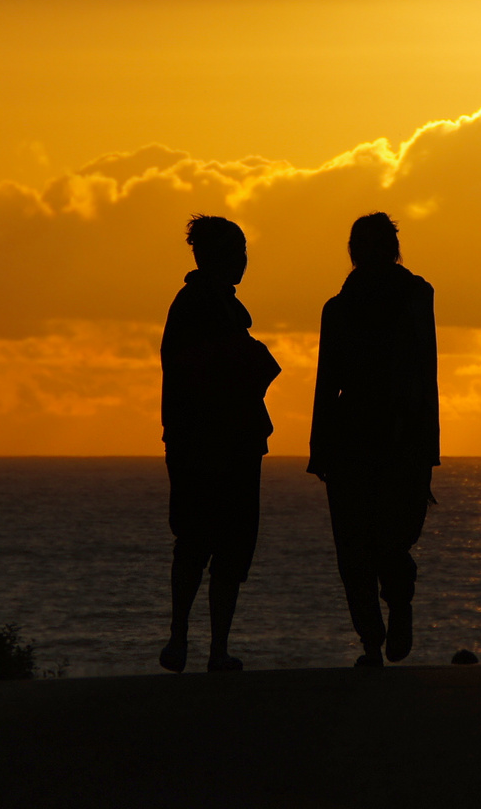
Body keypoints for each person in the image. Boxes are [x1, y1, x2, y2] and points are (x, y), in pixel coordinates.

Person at [310, 212, 439, 667]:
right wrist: (319, 447)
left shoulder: (414, 296)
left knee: (384, 543)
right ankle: (372, 638)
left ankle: (393, 616)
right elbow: (328, 380)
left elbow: (426, 372)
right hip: (360, 437)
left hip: (396, 434)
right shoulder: (340, 307)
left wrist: (427, 445)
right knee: (359, 547)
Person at [159, 215, 280, 673]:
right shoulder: (198, 306)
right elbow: (217, 372)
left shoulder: (216, 308)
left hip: (223, 440)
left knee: (221, 545)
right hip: (209, 441)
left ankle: (205, 645)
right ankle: (189, 640)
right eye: (238, 251)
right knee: (202, 541)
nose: (245, 261)